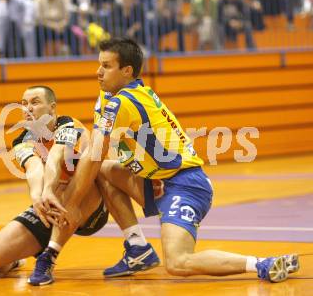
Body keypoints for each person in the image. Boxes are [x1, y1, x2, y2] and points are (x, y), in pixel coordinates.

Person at [45, 37, 300, 283]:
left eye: (106, 66)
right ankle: (137, 248)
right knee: (103, 171)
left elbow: (94, 154)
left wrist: (71, 205)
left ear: (127, 71)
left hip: (186, 185)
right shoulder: (110, 96)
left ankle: (262, 264)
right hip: (158, 180)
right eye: (99, 64)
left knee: (178, 262)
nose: (98, 71)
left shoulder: (124, 101)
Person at [0, 85, 158, 286]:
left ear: (52, 108)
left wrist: (49, 189)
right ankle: (19, 258)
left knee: (100, 168)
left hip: (90, 204)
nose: (27, 109)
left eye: (35, 102)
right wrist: (37, 196)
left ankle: (49, 255)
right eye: (24, 104)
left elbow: (56, 155)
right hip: (52, 207)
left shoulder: (68, 126)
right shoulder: (22, 141)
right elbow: (34, 168)